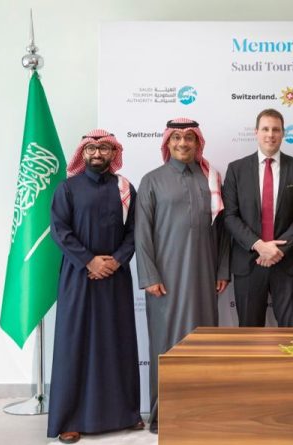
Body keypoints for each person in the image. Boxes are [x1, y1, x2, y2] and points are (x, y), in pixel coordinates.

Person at [135, 118, 230, 434]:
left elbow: (223, 232)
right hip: (165, 281)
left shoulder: (211, 180)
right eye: (176, 137)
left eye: (189, 138)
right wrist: (149, 276)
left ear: (198, 142)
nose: (183, 143)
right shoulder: (152, 180)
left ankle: (201, 410)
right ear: (167, 142)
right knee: (166, 344)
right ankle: (163, 414)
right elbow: (142, 233)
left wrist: (222, 270)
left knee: (204, 343)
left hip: (204, 277)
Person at [47, 130, 142, 443]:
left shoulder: (124, 188)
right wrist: (89, 261)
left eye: (103, 148)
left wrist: (116, 260)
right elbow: (60, 231)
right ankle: (69, 419)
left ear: (113, 152)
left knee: (117, 342)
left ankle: (125, 414)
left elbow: (135, 231)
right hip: (78, 278)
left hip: (115, 277)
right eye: (91, 148)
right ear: (83, 153)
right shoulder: (68, 188)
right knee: (74, 344)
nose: (97, 153)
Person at [223, 109, 293, 327]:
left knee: (292, 335)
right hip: (249, 262)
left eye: (276, 130)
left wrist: (277, 249)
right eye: (265, 129)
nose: (270, 134)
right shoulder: (236, 169)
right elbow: (230, 216)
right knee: (249, 334)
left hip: (288, 262)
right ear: (256, 132)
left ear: (283, 133)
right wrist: (258, 245)